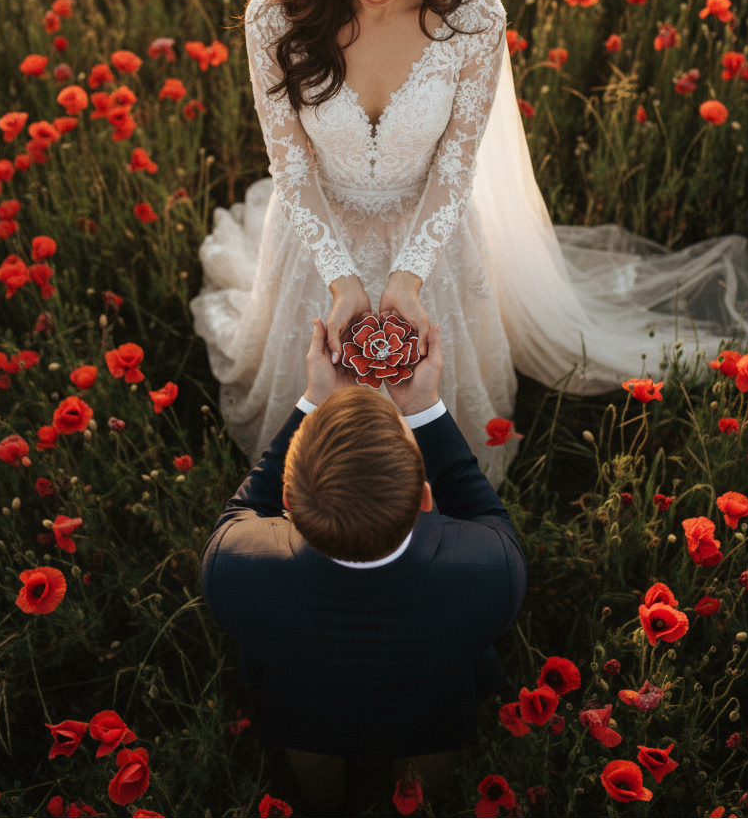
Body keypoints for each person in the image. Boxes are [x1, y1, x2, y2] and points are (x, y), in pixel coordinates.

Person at [191, 0, 748, 482]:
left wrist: (410, 274)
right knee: (319, 440)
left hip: (431, 229)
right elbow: (292, 166)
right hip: (314, 231)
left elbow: (454, 167)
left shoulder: (473, 19)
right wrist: (340, 277)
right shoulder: (273, 17)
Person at [200, 317, 527, 815]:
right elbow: (490, 516)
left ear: (288, 498)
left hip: (305, 701)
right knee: (431, 744)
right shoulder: (488, 574)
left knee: (312, 751)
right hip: (430, 700)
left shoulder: (235, 567)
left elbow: (240, 511)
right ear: (425, 498)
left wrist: (314, 398)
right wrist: (422, 410)